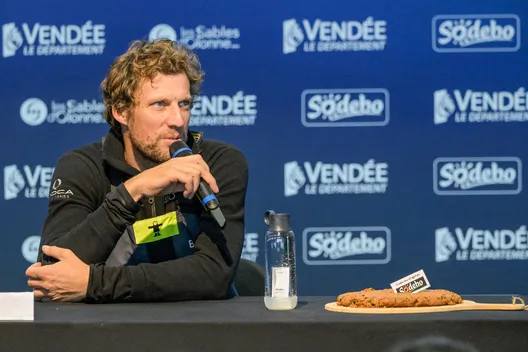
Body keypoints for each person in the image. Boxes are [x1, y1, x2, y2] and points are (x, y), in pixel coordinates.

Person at [24, 39, 249, 303]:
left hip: (198, 334)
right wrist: (133, 190)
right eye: (160, 104)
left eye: (184, 104)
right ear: (121, 111)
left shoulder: (217, 162)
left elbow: (215, 273)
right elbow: (51, 270)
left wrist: (95, 283)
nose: (177, 120)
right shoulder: (83, 166)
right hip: (105, 335)